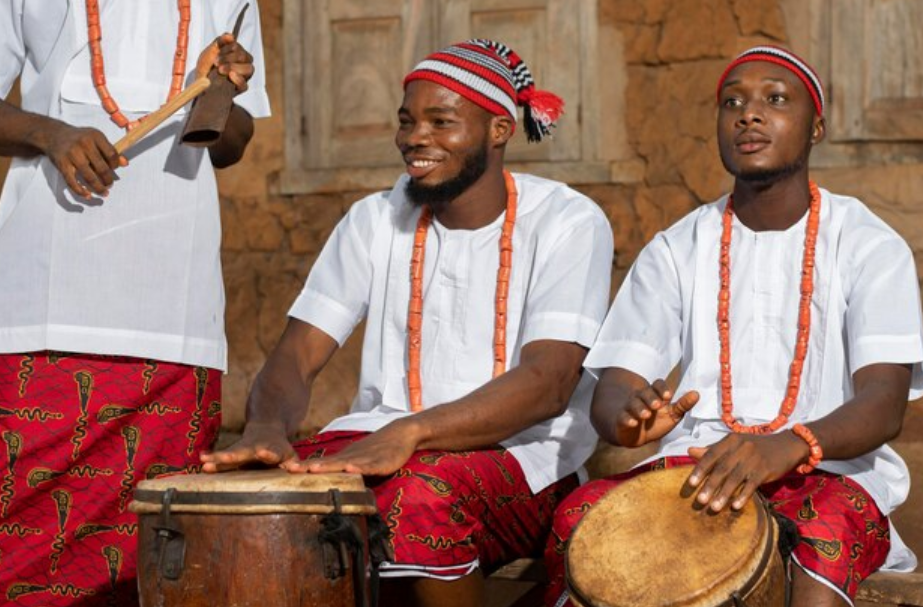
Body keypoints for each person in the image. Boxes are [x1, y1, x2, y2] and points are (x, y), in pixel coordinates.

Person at [202, 39, 613, 607]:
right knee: (242, 503)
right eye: (407, 122)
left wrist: (411, 432)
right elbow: (297, 354)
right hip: (381, 440)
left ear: (499, 130)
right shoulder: (374, 218)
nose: (415, 138)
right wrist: (268, 427)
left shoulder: (567, 221)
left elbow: (550, 383)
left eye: (441, 122)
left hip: (525, 459)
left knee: (418, 496)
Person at [544, 46, 923, 607]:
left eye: (774, 99)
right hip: (698, 467)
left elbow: (884, 403)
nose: (749, 114)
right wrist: (629, 419)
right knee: (582, 522)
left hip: (827, 473)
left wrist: (788, 445)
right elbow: (613, 389)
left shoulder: (868, 245)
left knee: (823, 537)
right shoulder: (676, 247)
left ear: (816, 126)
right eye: (732, 103)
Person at [0, 2, 270, 605]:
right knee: (19, 534)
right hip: (43, 302)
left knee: (158, 548)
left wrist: (221, 91)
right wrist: (51, 133)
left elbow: (232, 144)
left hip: (175, 312)